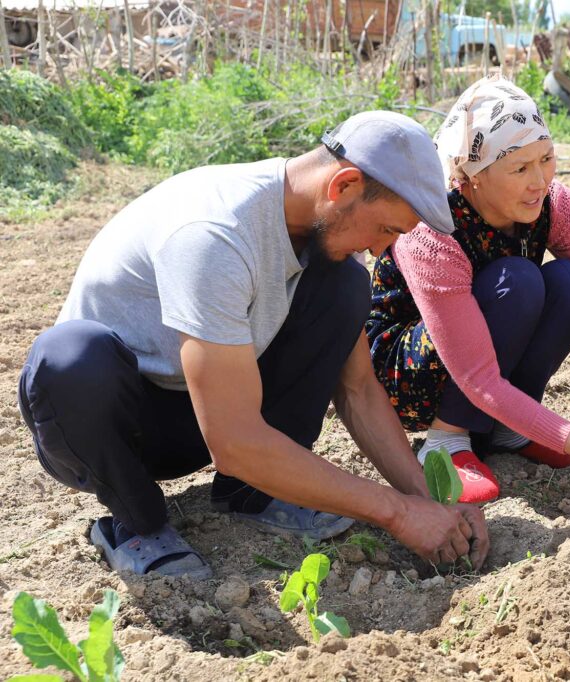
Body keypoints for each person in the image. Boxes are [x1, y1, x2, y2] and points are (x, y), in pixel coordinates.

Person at [17, 112, 490, 579]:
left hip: (204, 409)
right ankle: (136, 523)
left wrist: (428, 503)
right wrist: (396, 513)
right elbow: (233, 441)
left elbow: (359, 391)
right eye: (386, 229)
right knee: (71, 356)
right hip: (109, 428)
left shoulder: (312, 228)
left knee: (346, 284)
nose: (379, 250)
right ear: (343, 186)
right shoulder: (214, 233)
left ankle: (253, 492)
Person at [367, 77, 570, 504]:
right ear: (474, 175)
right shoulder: (435, 228)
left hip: (483, 352)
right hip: (414, 365)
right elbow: (477, 375)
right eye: (520, 168)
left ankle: (508, 430)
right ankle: (446, 441)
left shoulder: (556, 205)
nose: (539, 180)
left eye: (546, 159)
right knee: (517, 282)